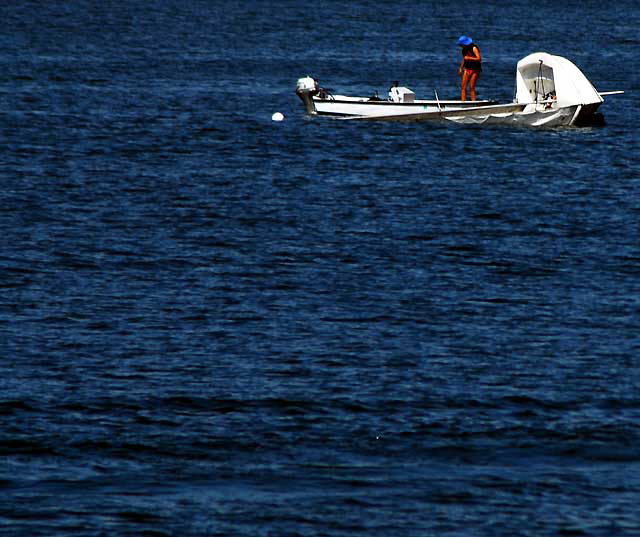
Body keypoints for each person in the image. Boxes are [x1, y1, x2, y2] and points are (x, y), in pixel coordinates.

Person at [457, 35, 481, 101]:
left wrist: (469, 58)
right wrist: (461, 68)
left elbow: (479, 58)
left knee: (472, 87)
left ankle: (474, 102)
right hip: (467, 68)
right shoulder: (464, 50)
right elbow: (464, 59)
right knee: (463, 86)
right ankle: (463, 102)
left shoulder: (474, 48)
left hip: (475, 69)